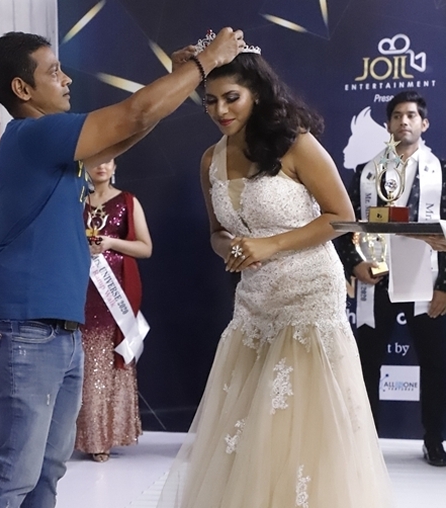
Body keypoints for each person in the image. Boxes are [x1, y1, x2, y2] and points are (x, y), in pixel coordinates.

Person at [0, 29, 245, 508]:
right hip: (26, 331)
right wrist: (204, 64)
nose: (66, 80)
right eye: (54, 72)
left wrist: (182, 77)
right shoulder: (35, 134)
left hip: (57, 330)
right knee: (18, 474)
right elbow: (133, 114)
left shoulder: (51, 145)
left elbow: (127, 132)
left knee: (47, 471)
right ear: (22, 89)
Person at [156, 38, 393, 508]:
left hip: (309, 293)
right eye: (210, 101)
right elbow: (216, 233)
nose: (220, 110)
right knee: (247, 424)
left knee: (299, 422)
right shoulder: (209, 160)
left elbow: (341, 217)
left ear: (257, 93)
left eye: (231, 98)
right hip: (254, 300)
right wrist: (232, 248)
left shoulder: (296, 144)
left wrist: (270, 244)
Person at [338, 90, 446, 466]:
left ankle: (434, 439)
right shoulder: (366, 173)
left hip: (426, 280)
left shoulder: (441, 172)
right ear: (388, 125)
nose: (404, 121)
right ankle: (364, 442)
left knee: (435, 363)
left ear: (424, 123)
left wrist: (445, 285)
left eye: (411, 115)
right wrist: (354, 263)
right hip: (377, 279)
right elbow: (347, 223)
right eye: (397, 115)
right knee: (366, 363)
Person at [74, 159, 152, 462]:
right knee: (86, 365)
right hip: (81, 292)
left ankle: (105, 436)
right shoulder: (75, 201)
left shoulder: (128, 201)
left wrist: (110, 243)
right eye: (95, 161)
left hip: (115, 294)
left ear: (115, 165)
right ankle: (84, 436)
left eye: (107, 160)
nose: (101, 166)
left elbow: (145, 248)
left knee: (109, 362)